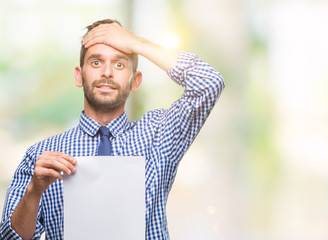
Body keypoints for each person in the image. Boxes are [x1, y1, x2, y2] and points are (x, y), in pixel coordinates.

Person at [0, 19, 224, 239]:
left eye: (119, 64)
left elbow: (208, 83)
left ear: (135, 81)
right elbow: (10, 238)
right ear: (79, 75)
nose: (107, 72)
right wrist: (34, 192)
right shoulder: (42, 156)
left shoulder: (160, 134)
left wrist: (137, 43)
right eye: (96, 62)